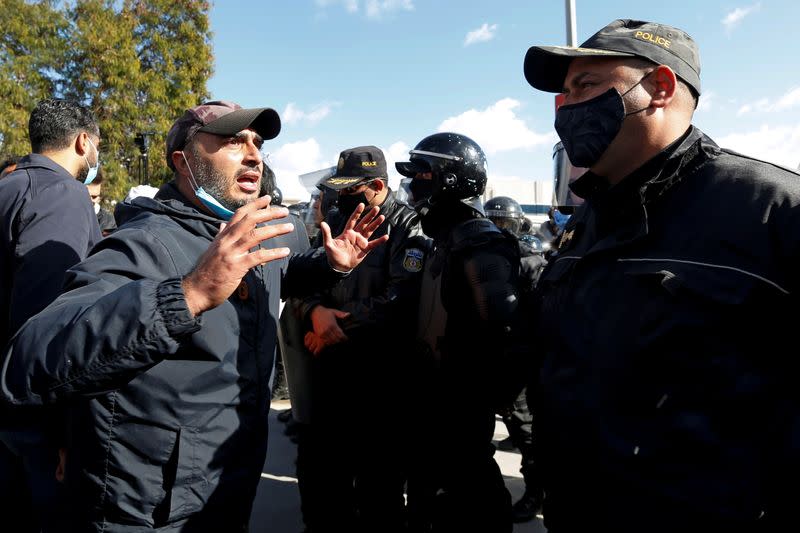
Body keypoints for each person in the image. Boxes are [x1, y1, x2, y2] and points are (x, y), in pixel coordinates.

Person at [0, 100, 388, 532]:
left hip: (226, 492)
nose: (253, 154)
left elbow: (271, 279)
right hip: (148, 512)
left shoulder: (242, 234)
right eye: (231, 141)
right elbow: (33, 359)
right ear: (182, 162)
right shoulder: (143, 243)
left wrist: (329, 265)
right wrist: (187, 294)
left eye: (257, 143)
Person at [523, 19, 800, 532]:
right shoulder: (587, 220)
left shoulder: (772, 210)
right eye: (563, 95)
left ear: (660, 88)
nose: (567, 109)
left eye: (585, 85)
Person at [295, 146, 428, 533]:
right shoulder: (336, 220)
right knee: (321, 474)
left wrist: (336, 329)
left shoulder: (408, 225)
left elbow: (402, 297)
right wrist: (314, 313)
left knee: (379, 483)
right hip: (329, 369)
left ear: (378, 186)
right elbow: (307, 278)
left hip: (380, 374)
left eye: (353, 189)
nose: (343, 197)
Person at [396, 133, 522, 533]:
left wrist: (469, 399)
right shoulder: (442, 238)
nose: (412, 183)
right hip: (432, 403)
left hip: (459, 410)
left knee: (472, 498)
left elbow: (503, 332)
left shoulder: (480, 244)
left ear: (448, 180)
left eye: (420, 173)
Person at [0, 98, 102, 533]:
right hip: (29, 421)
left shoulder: (8, 186)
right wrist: (62, 431)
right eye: (97, 145)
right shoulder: (62, 194)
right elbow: (48, 322)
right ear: (83, 142)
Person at [483, 195, 545, 523]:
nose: (498, 229)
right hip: (493, 357)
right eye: (493, 222)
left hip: (520, 361)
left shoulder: (530, 260)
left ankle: (536, 493)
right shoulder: (482, 256)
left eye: (504, 223)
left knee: (527, 433)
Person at [86, 169, 117, 236]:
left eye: (94, 197)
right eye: (86, 195)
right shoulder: (69, 215)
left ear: (99, 198)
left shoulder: (108, 221)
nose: (89, 200)